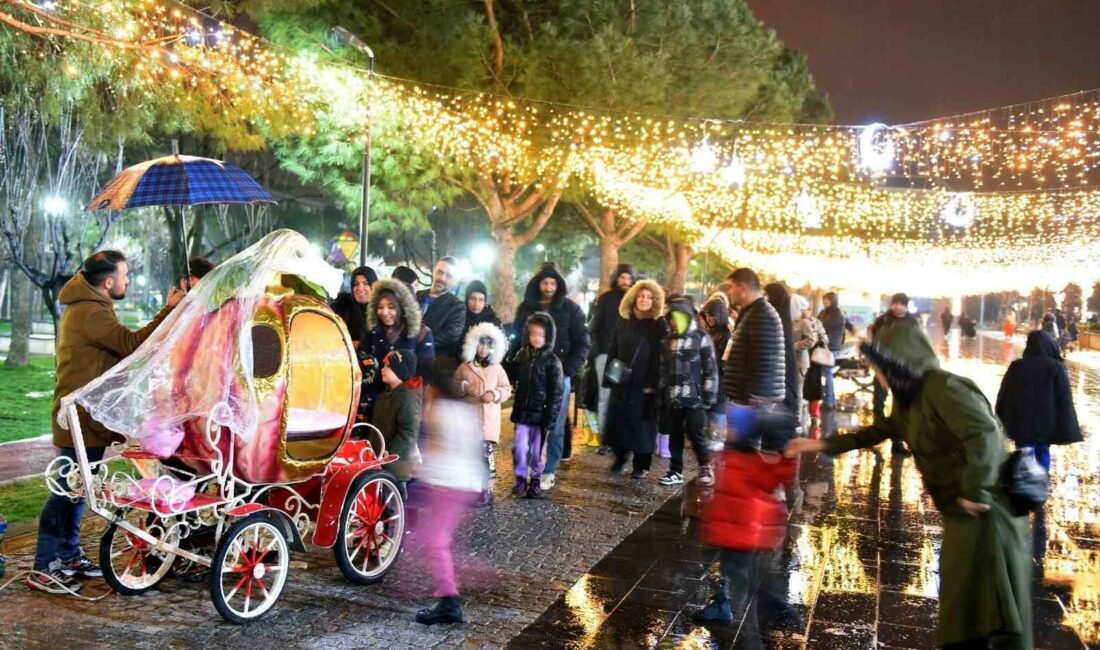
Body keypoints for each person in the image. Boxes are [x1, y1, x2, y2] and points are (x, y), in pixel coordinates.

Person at [786, 325, 1032, 650]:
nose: (876, 375)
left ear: (899, 363)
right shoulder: (909, 401)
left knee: (990, 611)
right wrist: (816, 446)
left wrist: (974, 492)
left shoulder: (943, 387)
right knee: (964, 607)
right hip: (963, 512)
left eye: (878, 368)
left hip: (987, 514)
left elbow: (984, 434)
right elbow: (878, 431)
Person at [29, 250, 184, 593]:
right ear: (109, 281)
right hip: (78, 420)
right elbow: (130, 345)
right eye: (126, 276)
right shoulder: (89, 312)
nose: (128, 281)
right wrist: (169, 309)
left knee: (77, 491)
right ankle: (42, 567)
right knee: (64, 492)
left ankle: (67, 556)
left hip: (86, 419)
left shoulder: (92, 307)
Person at [693, 403, 799, 639]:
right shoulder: (730, 456)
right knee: (732, 575)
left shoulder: (750, 461)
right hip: (729, 532)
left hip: (738, 536)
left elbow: (775, 477)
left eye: (730, 426)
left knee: (741, 584)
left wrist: (788, 457)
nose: (724, 429)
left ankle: (758, 618)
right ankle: (729, 605)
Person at [510, 262, 589, 491]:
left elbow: (582, 343)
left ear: (559, 285)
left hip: (557, 376)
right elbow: (516, 339)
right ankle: (523, 470)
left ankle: (549, 469)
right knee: (525, 424)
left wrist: (568, 370)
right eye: (545, 282)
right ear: (538, 283)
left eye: (553, 282)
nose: (548, 286)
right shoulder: (526, 307)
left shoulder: (571, 310)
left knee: (553, 423)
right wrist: (513, 368)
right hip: (529, 375)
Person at [414, 392, 487, 626]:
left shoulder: (442, 410)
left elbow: (443, 450)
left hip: (450, 484)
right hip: (457, 483)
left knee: (435, 540)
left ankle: (449, 600)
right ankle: (449, 595)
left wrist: (426, 472)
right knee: (436, 539)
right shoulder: (458, 408)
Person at [604, 279, 668, 479]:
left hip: (645, 383)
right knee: (618, 422)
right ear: (633, 298)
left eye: (649, 297)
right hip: (622, 381)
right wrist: (609, 376)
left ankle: (641, 465)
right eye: (641, 295)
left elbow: (662, 356)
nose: (644, 300)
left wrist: (656, 384)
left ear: (655, 301)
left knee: (643, 426)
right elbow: (613, 349)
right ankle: (620, 457)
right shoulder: (623, 320)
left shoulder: (659, 325)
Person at [995, 331, 1082, 473]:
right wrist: (1066, 423)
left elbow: (1004, 393)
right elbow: (1064, 399)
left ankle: (1025, 484)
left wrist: (1000, 416)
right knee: (1043, 452)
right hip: (1046, 422)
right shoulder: (1056, 368)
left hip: (1021, 421)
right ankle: (1041, 484)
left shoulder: (1017, 366)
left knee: (1024, 453)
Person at [657, 295, 719, 487]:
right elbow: (663, 370)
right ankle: (675, 470)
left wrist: (709, 396)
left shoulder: (701, 338)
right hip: (673, 398)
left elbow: (711, 369)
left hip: (695, 399)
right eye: (671, 318)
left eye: (677, 317)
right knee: (674, 434)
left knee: (696, 433)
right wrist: (662, 393)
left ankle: (705, 466)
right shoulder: (667, 341)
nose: (674, 322)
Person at [504, 313, 563, 499]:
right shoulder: (522, 355)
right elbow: (509, 372)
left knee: (537, 453)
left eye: (541, 335)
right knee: (520, 449)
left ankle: (536, 480)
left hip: (541, 416)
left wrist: (550, 419)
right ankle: (521, 478)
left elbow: (556, 393)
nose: (536, 338)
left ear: (548, 337)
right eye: (533, 334)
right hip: (522, 414)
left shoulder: (553, 362)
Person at [453, 322, 511, 507]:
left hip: (487, 423)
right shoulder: (464, 367)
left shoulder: (497, 368)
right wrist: (463, 387)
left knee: (486, 459)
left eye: (488, 345)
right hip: (469, 421)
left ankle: (486, 490)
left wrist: (494, 394)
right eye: (481, 344)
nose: (484, 348)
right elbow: (454, 385)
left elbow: (507, 388)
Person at [360, 279, 435, 418]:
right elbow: (363, 366)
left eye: (391, 306)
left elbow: (425, 375)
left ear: (402, 307)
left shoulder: (421, 334)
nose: (385, 312)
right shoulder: (373, 332)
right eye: (380, 307)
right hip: (374, 406)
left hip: (405, 408)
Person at [587, 264, 635, 451]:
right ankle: (606, 440)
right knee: (605, 397)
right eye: (622, 278)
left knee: (627, 397)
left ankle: (623, 438)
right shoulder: (605, 299)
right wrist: (598, 352)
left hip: (629, 356)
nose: (625, 282)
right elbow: (595, 326)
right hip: (606, 355)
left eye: (628, 278)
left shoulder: (635, 299)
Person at [869, 293, 920, 456]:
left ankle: (897, 442)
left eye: (901, 304)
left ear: (906, 306)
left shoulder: (912, 322)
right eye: (895, 303)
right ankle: (877, 432)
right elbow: (873, 344)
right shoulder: (882, 321)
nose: (897, 306)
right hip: (883, 367)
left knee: (900, 407)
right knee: (879, 401)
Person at [372, 350, 421, 492]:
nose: (382, 369)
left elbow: (408, 433)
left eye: (388, 367)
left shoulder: (408, 399)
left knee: (390, 504)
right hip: (380, 461)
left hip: (395, 465)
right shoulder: (384, 395)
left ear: (400, 371)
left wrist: (388, 453)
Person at [417, 257, 466, 365]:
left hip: (432, 367)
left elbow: (450, 336)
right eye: (440, 272)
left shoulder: (457, 307)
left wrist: (415, 342)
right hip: (405, 364)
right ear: (434, 271)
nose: (442, 278)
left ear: (455, 280)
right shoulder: (417, 296)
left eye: (448, 276)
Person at [764, 284, 800, 419]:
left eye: (767, 295)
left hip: (781, 367)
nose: (765, 298)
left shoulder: (776, 316)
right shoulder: (781, 314)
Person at [700, 297, 732, 450]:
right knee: (708, 409)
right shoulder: (707, 332)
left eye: (712, 315)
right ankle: (708, 437)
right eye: (707, 315)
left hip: (720, 379)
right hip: (706, 378)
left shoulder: (726, 336)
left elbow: (725, 362)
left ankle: (717, 438)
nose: (709, 318)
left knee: (718, 410)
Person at [790, 294, 821, 428]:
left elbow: (811, 340)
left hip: (800, 362)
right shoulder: (790, 321)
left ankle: (796, 419)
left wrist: (796, 346)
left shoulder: (804, 322)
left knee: (797, 391)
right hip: (791, 361)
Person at [331, 265, 378, 347]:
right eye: (356, 284)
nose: (360, 288)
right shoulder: (342, 308)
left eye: (366, 283)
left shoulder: (382, 310)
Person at [817, 292, 846, 409]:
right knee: (825, 373)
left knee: (828, 373)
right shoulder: (824, 312)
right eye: (824, 299)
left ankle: (828, 400)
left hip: (831, 347)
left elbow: (822, 326)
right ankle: (830, 398)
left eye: (827, 300)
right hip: (823, 345)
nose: (825, 302)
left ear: (833, 301)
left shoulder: (836, 314)